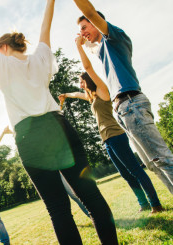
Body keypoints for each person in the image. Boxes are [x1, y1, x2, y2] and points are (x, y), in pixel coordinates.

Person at [0, 1, 118, 244]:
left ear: (3, 47)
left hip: (29, 136)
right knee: (90, 194)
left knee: (58, 208)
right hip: (58, 127)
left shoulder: (0, 62)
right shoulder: (41, 56)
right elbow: (47, 24)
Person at [72, 0, 173, 194]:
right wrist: (81, 45)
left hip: (131, 103)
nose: (82, 32)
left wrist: (88, 24)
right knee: (152, 165)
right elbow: (87, 66)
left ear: (97, 22)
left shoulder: (115, 38)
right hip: (124, 110)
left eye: (84, 27)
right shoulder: (103, 50)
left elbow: (91, 13)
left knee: (163, 159)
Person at [59, 35, 163, 213]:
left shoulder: (103, 92)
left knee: (135, 170)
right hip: (106, 140)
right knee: (125, 174)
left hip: (116, 135)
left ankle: (155, 203)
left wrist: (79, 48)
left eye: (82, 81)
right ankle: (143, 203)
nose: (80, 84)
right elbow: (78, 94)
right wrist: (66, 95)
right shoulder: (92, 98)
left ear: (89, 80)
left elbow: (88, 67)